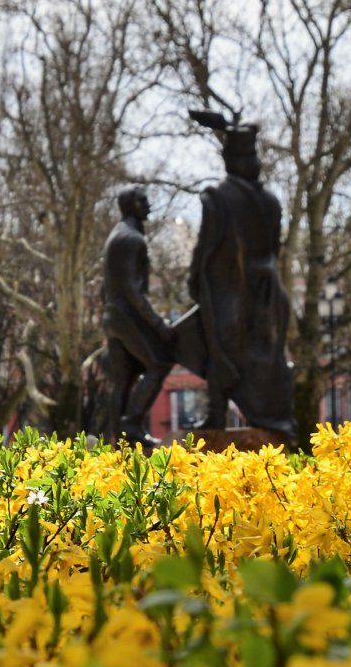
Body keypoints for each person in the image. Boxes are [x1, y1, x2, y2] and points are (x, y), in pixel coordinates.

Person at [186, 120, 294, 441]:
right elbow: (274, 249)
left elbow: (206, 247)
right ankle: (259, 418)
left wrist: (196, 280)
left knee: (218, 347)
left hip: (230, 291)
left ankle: (219, 414)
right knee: (265, 359)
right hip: (267, 290)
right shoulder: (270, 202)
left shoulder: (218, 198)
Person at [101, 187, 178, 444]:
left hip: (112, 315)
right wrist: (158, 324)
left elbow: (107, 286)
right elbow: (133, 290)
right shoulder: (132, 239)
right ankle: (131, 425)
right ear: (130, 206)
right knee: (160, 363)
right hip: (125, 315)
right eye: (142, 200)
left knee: (124, 379)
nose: (148, 204)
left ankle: (119, 440)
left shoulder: (116, 236)